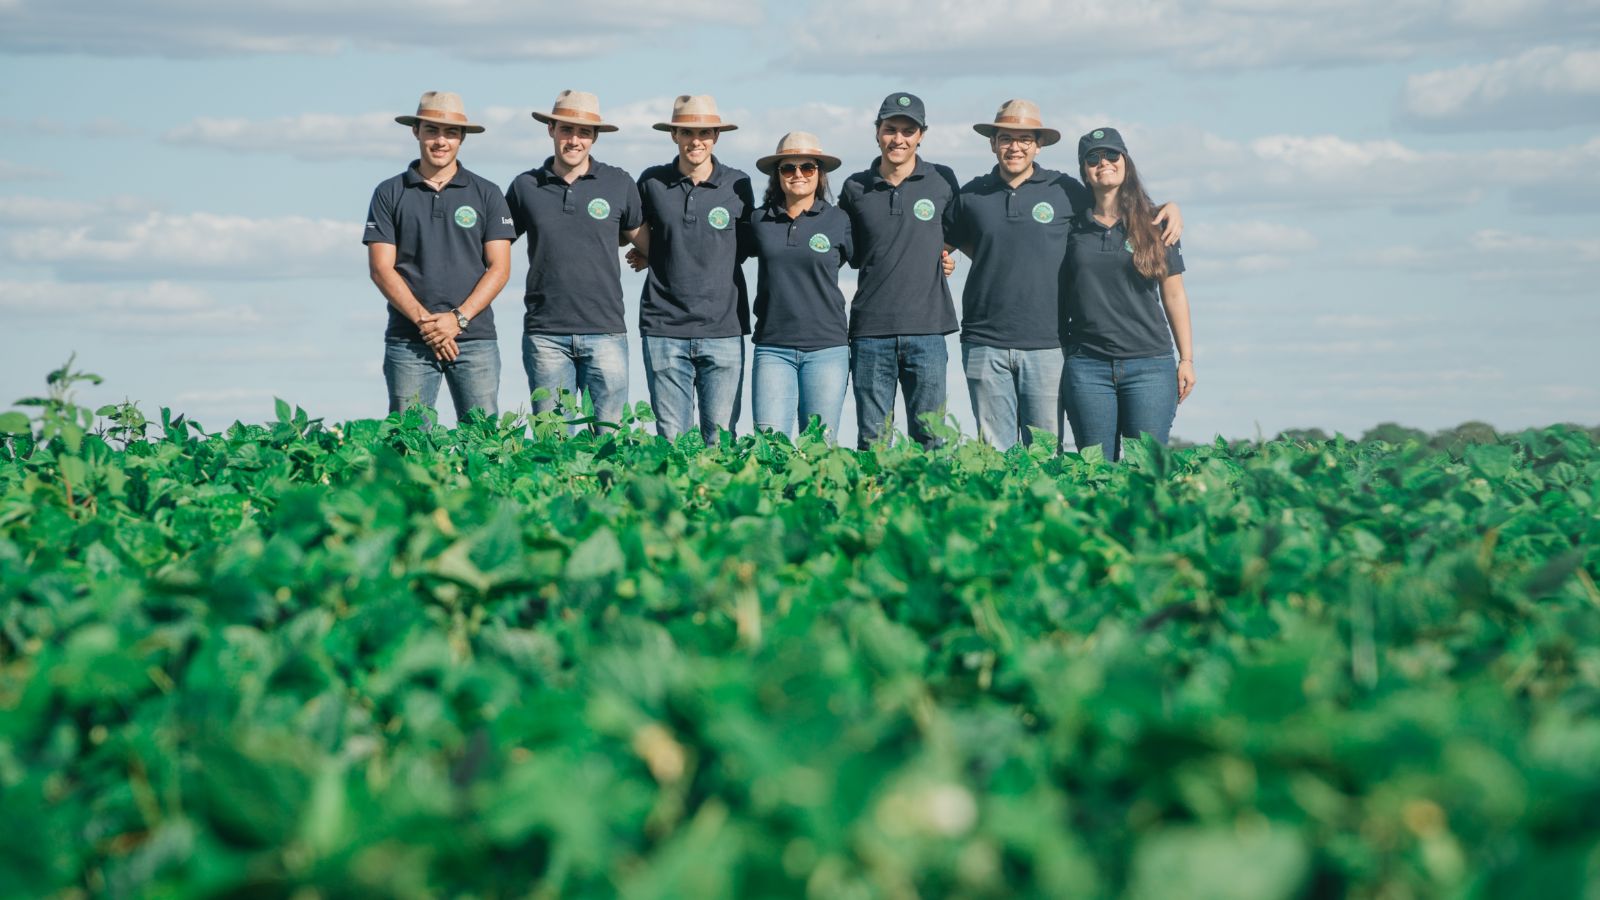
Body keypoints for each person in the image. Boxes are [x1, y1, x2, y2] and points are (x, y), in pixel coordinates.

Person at [946, 100, 1182, 451]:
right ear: (993, 143)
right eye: (1006, 138)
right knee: (994, 456)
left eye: (1025, 138)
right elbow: (943, 239)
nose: (1015, 147)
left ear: (1038, 145)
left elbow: (1115, 199)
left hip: (1049, 344)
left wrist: (1166, 208)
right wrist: (945, 257)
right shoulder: (971, 194)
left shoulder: (1066, 191)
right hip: (983, 341)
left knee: (1045, 454)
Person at [364, 91, 513, 422]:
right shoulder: (389, 192)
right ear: (416, 131)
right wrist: (427, 323)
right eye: (432, 130)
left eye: (450, 133)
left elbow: (500, 268)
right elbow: (380, 268)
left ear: (461, 138)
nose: (441, 141)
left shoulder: (486, 192)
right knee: (410, 441)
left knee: (484, 442)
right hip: (409, 340)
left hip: (474, 339)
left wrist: (456, 320)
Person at [504, 90, 643, 430]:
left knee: (610, 441)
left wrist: (644, 254)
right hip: (545, 334)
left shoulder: (619, 182)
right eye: (566, 129)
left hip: (606, 331)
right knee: (553, 441)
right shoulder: (525, 187)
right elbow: (493, 246)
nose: (574, 140)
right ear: (551, 129)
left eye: (584, 132)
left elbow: (648, 240)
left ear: (595, 137)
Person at [1060, 127, 1196, 461]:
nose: (1103, 162)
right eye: (1092, 158)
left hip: (1150, 366)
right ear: (1084, 171)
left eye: (1111, 155)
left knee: (1144, 470)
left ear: (1126, 162)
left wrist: (1187, 359)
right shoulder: (1070, 226)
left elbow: (1174, 295)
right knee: (1095, 471)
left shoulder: (1157, 222)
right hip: (1088, 366)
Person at [627, 95, 754, 443]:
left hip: (724, 328)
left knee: (721, 439)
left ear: (716, 136)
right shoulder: (651, 182)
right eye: (686, 132)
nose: (695, 141)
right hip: (664, 326)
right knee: (671, 439)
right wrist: (653, 252)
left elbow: (742, 248)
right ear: (674, 135)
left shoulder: (738, 185)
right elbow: (635, 227)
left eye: (704, 133)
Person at [838, 92, 960, 450]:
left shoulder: (942, 180)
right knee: (874, 441)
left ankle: (931, 506)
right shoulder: (855, 187)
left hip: (928, 330)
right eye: (891, 129)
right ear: (877, 132)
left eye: (908, 130)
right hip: (871, 331)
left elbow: (958, 232)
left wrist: (939, 253)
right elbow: (850, 249)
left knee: (932, 439)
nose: (899, 139)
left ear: (921, 134)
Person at [746, 132, 853, 440]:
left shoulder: (839, 220)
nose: (797, 175)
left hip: (827, 348)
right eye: (788, 168)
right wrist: (646, 251)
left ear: (819, 174)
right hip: (772, 347)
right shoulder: (758, 221)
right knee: (768, 445)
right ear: (777, 175)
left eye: (807, 167)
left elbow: (867, 260)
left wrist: (943, 257)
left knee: (819, 447)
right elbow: (720, 253)